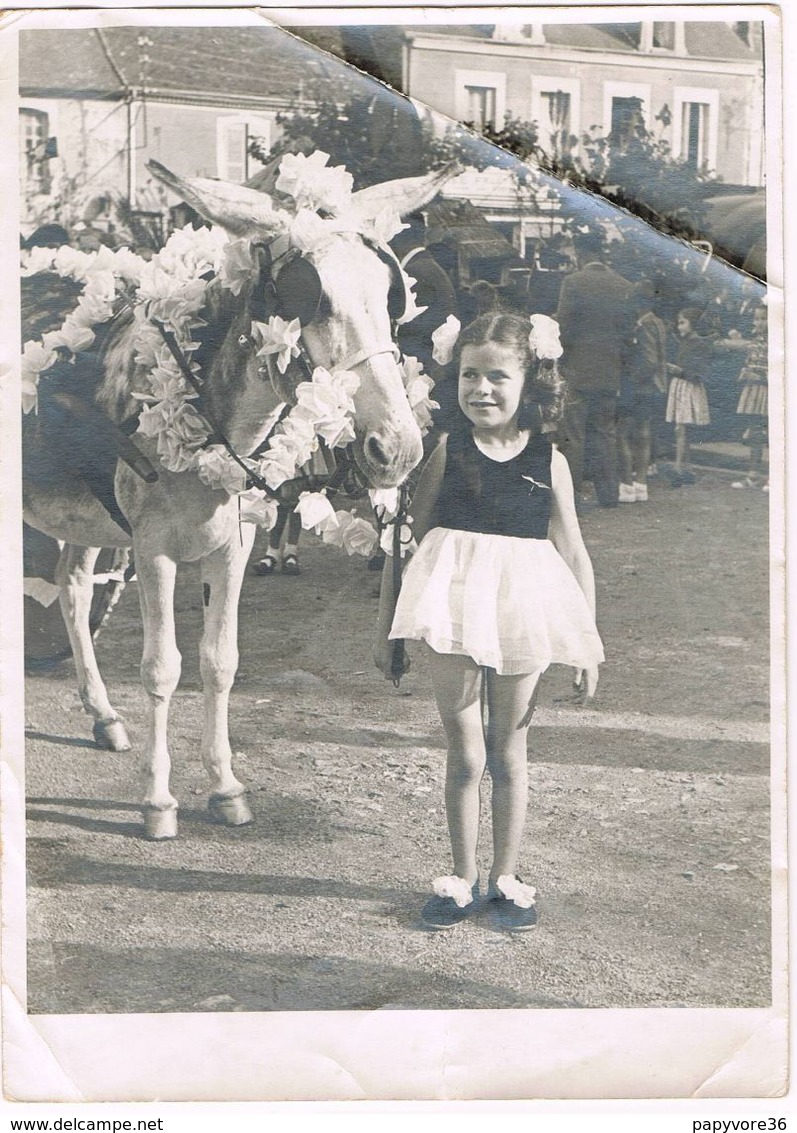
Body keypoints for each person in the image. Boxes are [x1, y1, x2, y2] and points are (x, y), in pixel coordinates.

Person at [375, 312, 603, 932]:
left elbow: (573, 550)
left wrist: (588, 648)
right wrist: (387, 629)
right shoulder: (447, 450)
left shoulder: (549, 459)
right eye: (469, 375)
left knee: (509, 749)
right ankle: (460, 878)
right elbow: (408, 542)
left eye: (497, 376)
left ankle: (506, 876)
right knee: (465, 753)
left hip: (521, 610)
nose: (481, 389)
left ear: (529, 383)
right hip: (449, 607)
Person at [556, 231, 633, 508]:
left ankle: (572, 498)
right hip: (610, 372)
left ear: (580, 253)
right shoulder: (623, 285)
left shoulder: (573, 283)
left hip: (577, 371)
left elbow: (563, 329)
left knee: (574, 435)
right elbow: (627, 335)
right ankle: (609, 495)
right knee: (605, 433)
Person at [617, 281, 668, 503]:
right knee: (644, 434)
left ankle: (627, 484)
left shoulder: (644, 325)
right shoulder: (659, 323)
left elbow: (649, 360)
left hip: (639, 387)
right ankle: (641, 484)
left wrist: (630, 381)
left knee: (623, 433)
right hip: (655, 387)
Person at [665, 307, 713, 486]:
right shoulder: (684, 342)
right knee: (682, 428)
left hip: (687, 386)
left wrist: (679, 371)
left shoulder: (697, 343)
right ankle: (686, 467)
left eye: (682, 322)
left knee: (681, 428)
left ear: (692, 324)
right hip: (680, 386)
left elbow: (698, 372)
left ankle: (680, 467)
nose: (679, 326)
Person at [730, 303, 769, 491]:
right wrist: (745, 372)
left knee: (772, 433)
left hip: (770, 390)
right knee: (755, 432)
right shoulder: (755, 337)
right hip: (753, 389)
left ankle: (776, 477)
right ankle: (753, 475)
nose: (759, 322)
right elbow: (749, 360)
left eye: (763, 318)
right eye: (757, 318)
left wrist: (761, 377)